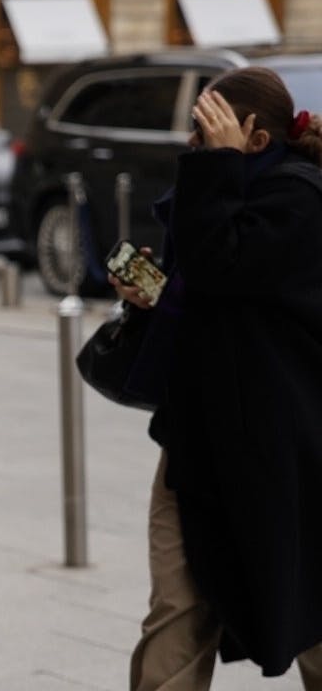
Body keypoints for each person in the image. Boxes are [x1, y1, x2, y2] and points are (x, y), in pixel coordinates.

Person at [112, 67, 322, 689]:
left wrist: (219, 167)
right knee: (177, 606)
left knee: (309, 606)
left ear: (255, 137)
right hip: (200, 443)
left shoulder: (300, 199)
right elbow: (206, 289)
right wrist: (149, 295)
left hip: (288, 453)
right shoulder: (222, 188)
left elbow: (222, 266)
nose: (194, 147)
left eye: (207, 132)